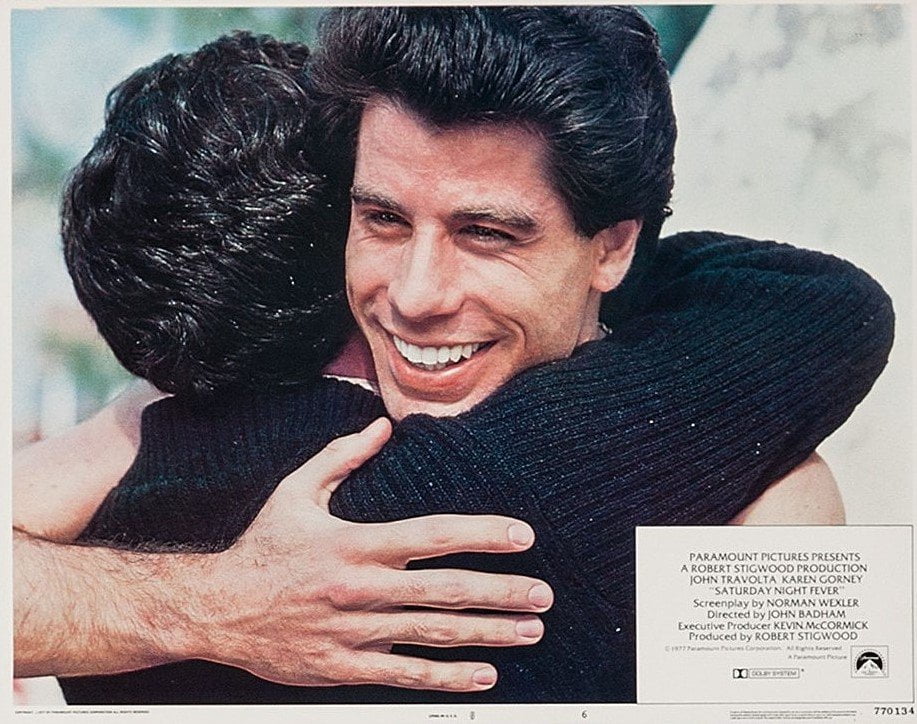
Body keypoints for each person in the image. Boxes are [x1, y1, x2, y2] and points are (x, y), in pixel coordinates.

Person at [19, 7, 893, 703]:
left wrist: (186, 591)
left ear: (612, 246)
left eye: (487, 234)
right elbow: (828, 304)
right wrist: (215, 604)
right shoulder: (762, 476)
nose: (415, 294)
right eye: (383, 219)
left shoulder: (145, 450)